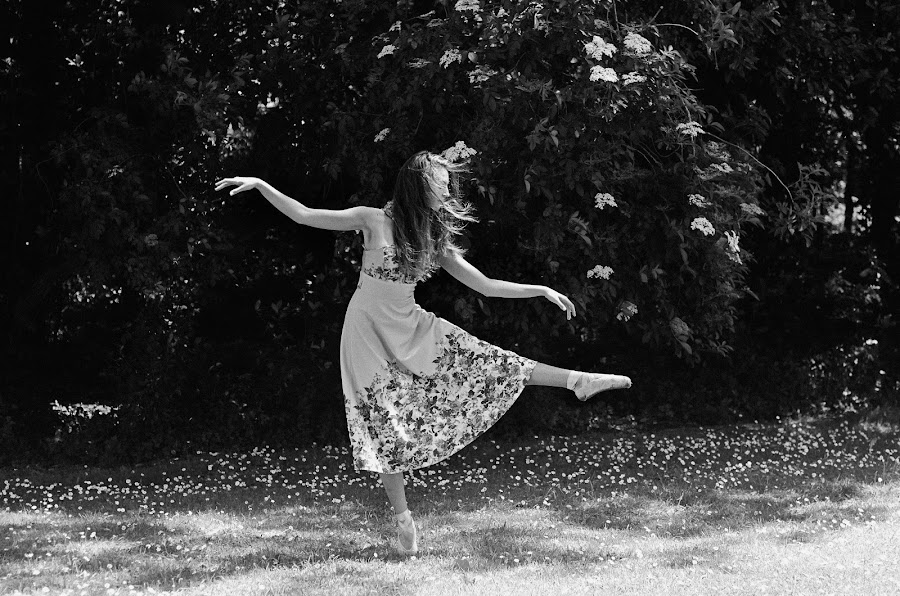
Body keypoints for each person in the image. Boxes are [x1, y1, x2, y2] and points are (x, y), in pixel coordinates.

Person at [215, 150, 631, 556]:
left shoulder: (433, 237)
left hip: (411, 327)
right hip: (366, 335)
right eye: (441, 184)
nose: (448, 192)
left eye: (448, 185)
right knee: (384, 424)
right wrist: (261, 184)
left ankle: (576, 381)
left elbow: (485, 286)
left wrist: (539, 289)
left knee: (485, 360)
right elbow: (305, 215)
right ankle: (403, 520)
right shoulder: (373, 220)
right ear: (419, 185)